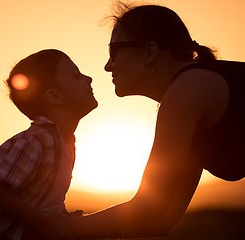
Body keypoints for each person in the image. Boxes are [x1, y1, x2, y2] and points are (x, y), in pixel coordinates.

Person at [68, 3, 245, 239]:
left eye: (113, 51)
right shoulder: (189, 94)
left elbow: (145, 211)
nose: (107, 65)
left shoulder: (187, 91)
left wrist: (57, 226)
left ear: (150, 51)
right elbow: (161, 220)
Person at [0, 49, 98, 240]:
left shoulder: (64, 143)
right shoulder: (37, 141)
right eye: (76, 75)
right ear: (54, 97)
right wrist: (42, 222)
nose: (89, 78)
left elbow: (40, 195)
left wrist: (60, 216)